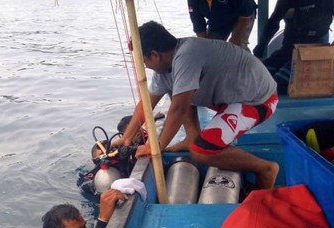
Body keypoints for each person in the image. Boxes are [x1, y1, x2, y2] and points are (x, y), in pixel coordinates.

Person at [112, 21, 279, 190]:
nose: (145, 66)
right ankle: (192, 135)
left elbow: (179, 110)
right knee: (178, 90)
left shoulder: (187, 55)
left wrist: (156, 146)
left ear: (155, 55)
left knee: (201, 151)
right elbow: (146, 104)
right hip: (229, 98)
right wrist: (126, 137)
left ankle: (266, 169)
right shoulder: (165, 68)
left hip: (257, 100)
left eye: (143, 60)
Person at [253, 0, 334, 94]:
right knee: (256, 78)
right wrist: (260, 48)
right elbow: (274, 21)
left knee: (275, 85)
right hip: (288, 49)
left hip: (311, 53)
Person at [188, 0, 257, 51]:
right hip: (218, 19)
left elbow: (246, 12)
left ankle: (251, 68)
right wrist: (204, 46)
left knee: (239, 46)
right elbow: (198, 23)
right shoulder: (193, 1)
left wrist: (236, 37)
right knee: (211, 48)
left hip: (243, 15)